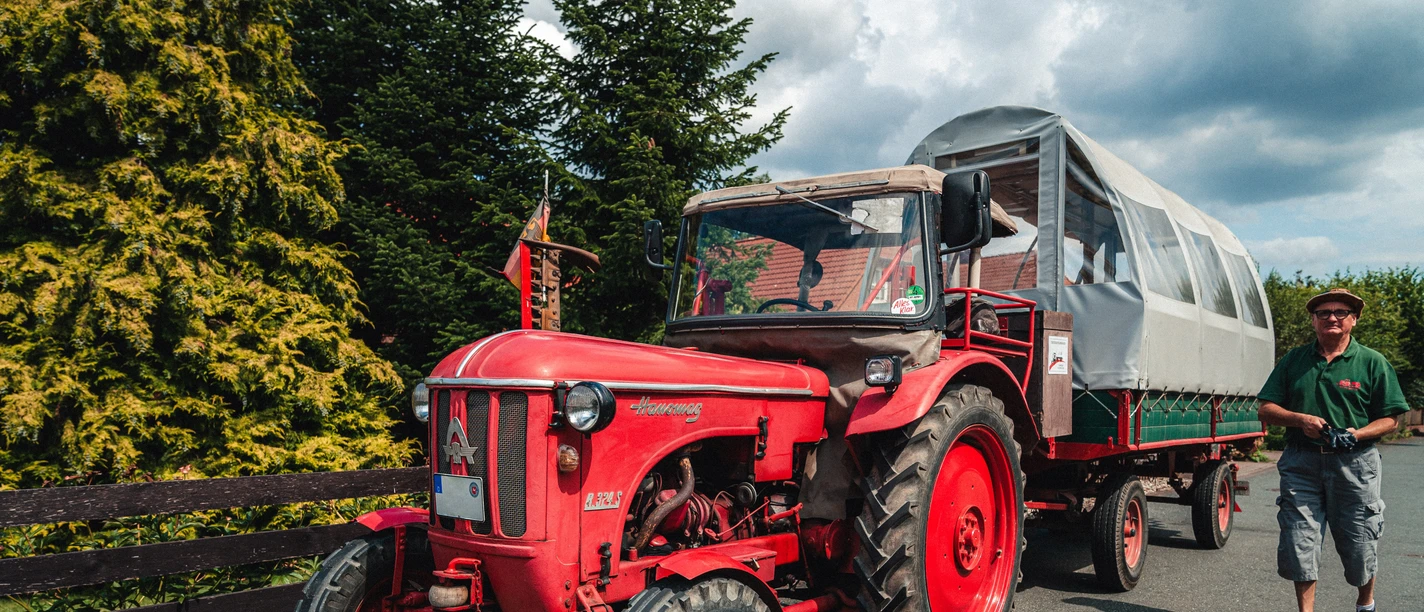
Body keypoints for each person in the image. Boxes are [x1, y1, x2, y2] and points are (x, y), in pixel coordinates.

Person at [1257, 288, 1409, 612]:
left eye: (1340, 312)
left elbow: (1392, 419)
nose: (1332, 317)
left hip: (1355, 465)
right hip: (1301, 463)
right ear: (1313, 321)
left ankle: (1365, 603)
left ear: (1353, 320)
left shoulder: (1372, 362)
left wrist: (1358, 434)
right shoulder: (1294, 361)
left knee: (1360, 543)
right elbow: (1266, 408)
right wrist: (1300, 419)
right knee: (1300, 541)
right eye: (1323, 313)